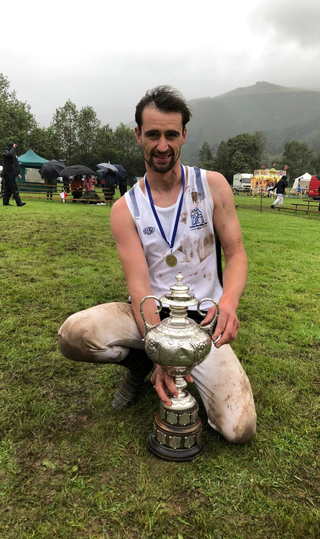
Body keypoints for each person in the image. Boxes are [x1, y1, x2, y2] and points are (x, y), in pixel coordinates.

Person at [58, 86, 256, 444]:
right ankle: (138, 367)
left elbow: (237, 253)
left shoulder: (213, 186)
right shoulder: (125, 209)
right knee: (74, 335)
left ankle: (192, 370)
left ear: (184, 135)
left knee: (239, 429)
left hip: (204, 324)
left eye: (170, 134)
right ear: (138, 135)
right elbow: (138, 286)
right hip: (151, 317)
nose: (162, 145)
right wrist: (159, 351)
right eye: (152, 134)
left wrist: (228, 302)